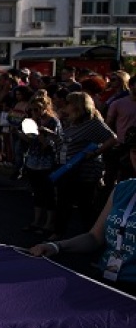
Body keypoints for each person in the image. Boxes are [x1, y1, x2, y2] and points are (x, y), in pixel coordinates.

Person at [30, 162, 136, 295]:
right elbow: (94, 237)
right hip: (107, 278)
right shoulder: (122, 189)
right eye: (134, 151)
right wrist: (56, 246)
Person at [56, 91, 118, 238]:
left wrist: (96, 153)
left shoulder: (94, 124)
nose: (67, 106)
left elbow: (112, 139)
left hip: (84, 172)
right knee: (63, 203)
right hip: (66, 168)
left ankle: (90, 236)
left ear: (78, 106)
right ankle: (59, 233)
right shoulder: (72, 123)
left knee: (85, 206)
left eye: (70, 103)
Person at [21, 92, 63, 237]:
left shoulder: (53, 122)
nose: (34, 112)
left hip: (47, 162)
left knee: (48, 194)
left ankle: (49, 223)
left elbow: (49, 146)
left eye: (37, 109)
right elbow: (30, 142)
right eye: (32, 110)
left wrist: (39, 131)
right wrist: (21, 134)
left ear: (45, 108)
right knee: (37, 193)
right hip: (33, 160)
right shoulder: (33, 121)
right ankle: (36, 221)